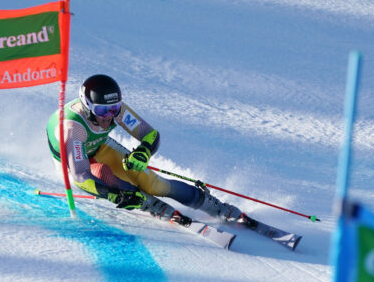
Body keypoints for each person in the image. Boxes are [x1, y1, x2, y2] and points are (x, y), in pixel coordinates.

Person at [46, 74, 244, 225]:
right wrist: (114, 195)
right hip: (72, 161)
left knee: (153, 184)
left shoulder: (117, 111)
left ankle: (212, 205)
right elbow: (81, 176)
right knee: (112, 181)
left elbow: (150, 134)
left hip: (99, 146)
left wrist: (144, 151)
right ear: (88, 106)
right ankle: (149, 204)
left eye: (114, 108)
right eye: (102, 111)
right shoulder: (73, 129)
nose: (109, 116)